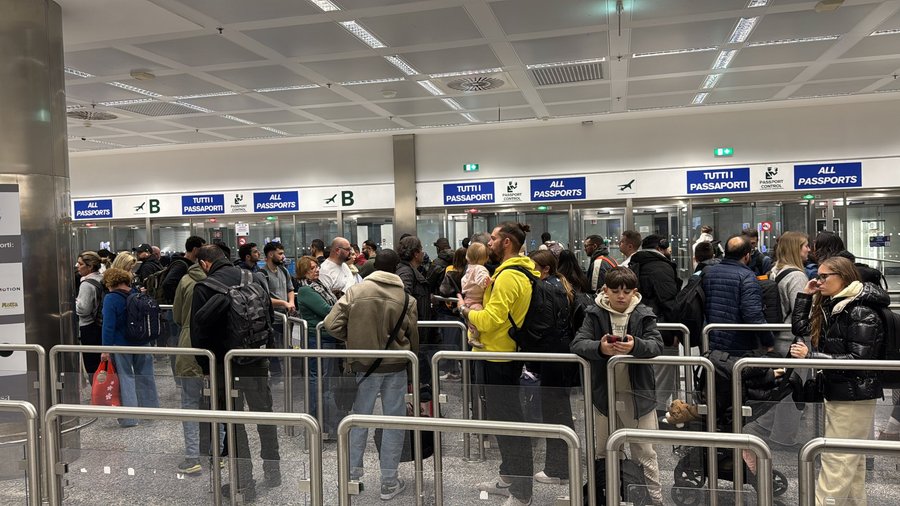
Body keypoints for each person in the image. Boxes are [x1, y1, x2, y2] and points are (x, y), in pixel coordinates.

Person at [790, 256, 889, 505]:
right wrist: (805, 295)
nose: (818, 280)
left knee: (837, 459)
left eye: (824, 277)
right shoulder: (838, 305)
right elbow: (801, 328)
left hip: (853, 394)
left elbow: (858, 358)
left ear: (843, 277)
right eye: (818, 276)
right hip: (842, 391)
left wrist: (812, 356)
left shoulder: (860, 310)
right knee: (850, 461)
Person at [324, 249, 419, 501]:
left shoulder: (355, 291)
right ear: (397, 268)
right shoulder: (407, 298)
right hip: (396, 366)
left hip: (362, 367)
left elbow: (331, 324)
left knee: (357, 420)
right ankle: (389, 481)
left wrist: (355, 340)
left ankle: (352, 477)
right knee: (394, 423)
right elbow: (413, 339)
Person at [190, 245, 281, 500]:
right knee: (265, 416)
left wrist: (204, 367)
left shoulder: (205, 288)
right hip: (257, 359)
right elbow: (270, 317)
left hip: (223, 365)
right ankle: (274, 474)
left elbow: (198, 335)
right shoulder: (256, 278)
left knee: (234, 423)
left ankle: (244, 484)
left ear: (205, 263)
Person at [570, 266, 664, 505]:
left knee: (645, 451)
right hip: (605, 395)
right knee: (605, 451)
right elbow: (578, 343)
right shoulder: (594, 314)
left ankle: (654, 499)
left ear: (634, 292)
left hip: (638, 395)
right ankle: (607, 496)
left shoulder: (644, 313)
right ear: (605, 291)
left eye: (626, 291)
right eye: (615, 291)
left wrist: (636, 346)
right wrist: (600, 348)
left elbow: (656, 345)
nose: (621, 296)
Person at [458, 222, 536, 506]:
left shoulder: (507, 277)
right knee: (502, 423)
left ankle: (522, 493)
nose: (488, 242)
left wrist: (464, 309)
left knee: (511, 425)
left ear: (506, 243)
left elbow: (491, 320)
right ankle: (508, 476)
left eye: (493, 238)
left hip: (500, 356)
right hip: (497, 352)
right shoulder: (512, 272)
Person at [743, 231, 811, 446]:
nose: (808, 249)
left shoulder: (773, 271)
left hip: (777, 338)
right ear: (794, 248)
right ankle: (784, 438)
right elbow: (802, 311)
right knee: (793, 391)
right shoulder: (797, 276)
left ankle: (765, 425)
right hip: (795, 340)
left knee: (780, 388)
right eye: (805, 245)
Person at [528, 250, 577, 487]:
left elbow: (542, 326)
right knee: (560, 410)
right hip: (562, 353)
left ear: (545, 269)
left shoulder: (545, 288)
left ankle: (558, 469)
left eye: (533, 265)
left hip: (552, 355)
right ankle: (562, 466)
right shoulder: (561, 284)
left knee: (555, 412)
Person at [172, 250, 223, 475]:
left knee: (190, 404)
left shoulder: (185, 280)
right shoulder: (221, 282)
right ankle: (218, 456)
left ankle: (192, 457)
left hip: (188, 345)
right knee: (218, 406)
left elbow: (176, 316)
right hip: (215, 347)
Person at [99, 267, 159, 427]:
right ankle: (151, 411)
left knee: (126, 378)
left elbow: (108, 326)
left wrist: (105, 349)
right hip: (142, 342)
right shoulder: (137, 293)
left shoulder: (111, 299)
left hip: (121, 344)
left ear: (110, 282)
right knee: (146, 376)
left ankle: (130, 418)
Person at [628, 234, 681, 413]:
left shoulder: (634, 263)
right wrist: (676, 332)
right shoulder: (660, 267)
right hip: (661, 326)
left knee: (646, 371)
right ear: (662, 246)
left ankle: (645, 408)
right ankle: (655, 413)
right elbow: (669, 301)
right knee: (663, 371)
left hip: (638, 324)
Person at [701, 235, 774, 354]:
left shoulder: (709, 273)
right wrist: (768, 341)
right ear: (747, 256)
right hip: (739, 344)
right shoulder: (747, 277)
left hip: (713, 340)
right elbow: (753, 315)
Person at [295, 255, 342, 436]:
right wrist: (342, 306)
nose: (316, 270)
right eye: (311, 268)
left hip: (326, 338)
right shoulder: (307, 290)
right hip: (318, 338)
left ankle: (325, 420)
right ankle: (321, 420)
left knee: (325, 381)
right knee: (321, 382)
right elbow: (326, 310)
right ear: (304, 271)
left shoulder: (319, 286)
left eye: (316, 267)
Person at [437, 247, 467, 380]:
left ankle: (453, 370)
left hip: (451, 312)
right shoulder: (471, 272)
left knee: (451, 342)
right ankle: (465, 370)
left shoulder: (450, 270)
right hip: (467, 312)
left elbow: (444, 290)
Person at [396, 236, 433, 344]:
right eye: (421, 250)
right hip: (413, 332)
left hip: (416, 329)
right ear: (416, 253)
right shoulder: (406, 272)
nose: (423, 253)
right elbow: (402, 300)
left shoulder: (407, 270)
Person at [74, 251, 104, 379]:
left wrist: (74, 303)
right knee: (101, 366)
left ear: (90, 266)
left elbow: (83, 310)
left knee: (92, 366)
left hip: (88, 327)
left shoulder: (86, 284)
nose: (77, 266)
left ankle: (98, 394)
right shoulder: (102, 278)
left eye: (80, 264)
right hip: (100, 325)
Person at [460, 242, 491, 349]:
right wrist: (487, 282)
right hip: (475, 301)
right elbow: (481, 279)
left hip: (468, 299)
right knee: (476, 319)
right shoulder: (480, 269)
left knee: (471, 322)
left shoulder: (469, 267)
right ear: (485, 258)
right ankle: (473, 338)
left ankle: (472, 337)